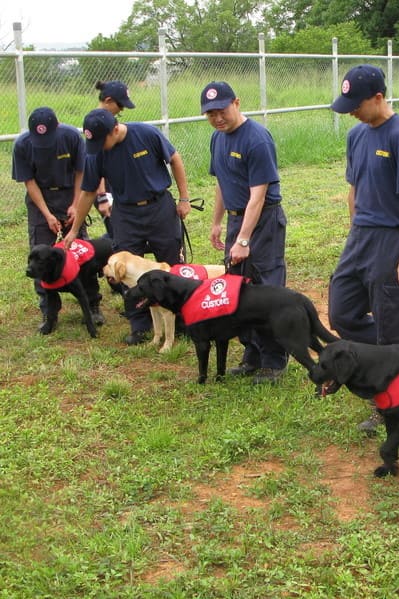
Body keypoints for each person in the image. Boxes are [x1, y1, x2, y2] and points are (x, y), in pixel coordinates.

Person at [329, 64, 399, 433]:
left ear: (378, 97)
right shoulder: (357, 136)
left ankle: (395, 399)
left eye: (357, 103)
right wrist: (354, 226)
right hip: (361, 235)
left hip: (392, 237)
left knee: (391, 324)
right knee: (341, 311)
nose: (351, 110)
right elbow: (354, 187)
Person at [62, 108, 192, 345]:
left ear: (115, 128)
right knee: (125, 270)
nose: (99, 147)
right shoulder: (96, 153)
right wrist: (73, 230)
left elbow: (174, 158)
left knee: (171, 262)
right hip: (125, 213)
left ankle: (181, 318)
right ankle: (140, 324)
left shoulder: (146, 134)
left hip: (159, 206)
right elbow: (89, 191)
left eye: (102, 141)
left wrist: (184, 198)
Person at [201, 81, 289, 385]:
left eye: (222, 110)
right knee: (236, 290)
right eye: (210, 114)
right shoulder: (217, 139)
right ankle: (252, 352)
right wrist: (217, 222)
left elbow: (259, 196)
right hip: (238, 219)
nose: (217, 118)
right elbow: (222, 183)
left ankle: (274, 360)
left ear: (236, 103)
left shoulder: (257, 139)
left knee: (266, 289)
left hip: (262, 221)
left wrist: (243, 239)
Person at [12, 106, 103, 332]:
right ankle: (49, 310)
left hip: (69, 192)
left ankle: (92, 304)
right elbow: (29, 182)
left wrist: (75, 204)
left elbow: (81, 172)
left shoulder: (72, 137)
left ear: (58, 126)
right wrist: (47, 215)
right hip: (40, 198)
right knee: (39, 254)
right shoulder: (22, 145)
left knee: (80, 252)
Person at [93, 80, 136, 237]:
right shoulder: (97, 126)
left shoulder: (110, 121)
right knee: (118, 233)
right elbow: (95, 167)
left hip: (117, 184)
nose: (121, 110)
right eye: (120, 106)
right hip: (105, 188)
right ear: (108, 101)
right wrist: (102, 197)